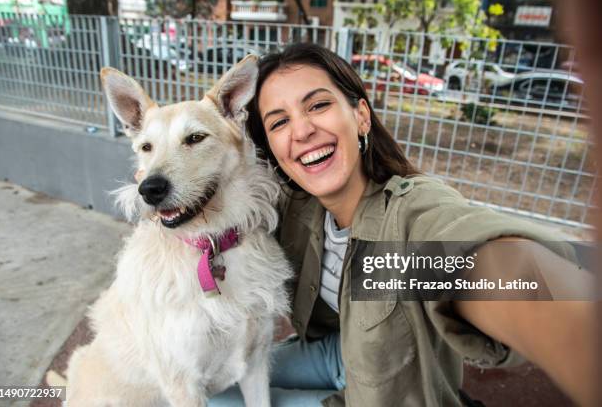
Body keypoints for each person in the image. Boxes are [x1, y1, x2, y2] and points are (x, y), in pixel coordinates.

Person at [209, 43, 596, 406]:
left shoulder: (407, 222)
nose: (302, 130)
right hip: (338, 351)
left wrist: (573, 323)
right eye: (279, 123)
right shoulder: (294, 206)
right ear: (271, 148)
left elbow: (491, 269)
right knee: (209, 386)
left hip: (386, 387)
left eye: (319, 105)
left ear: (360, 116)